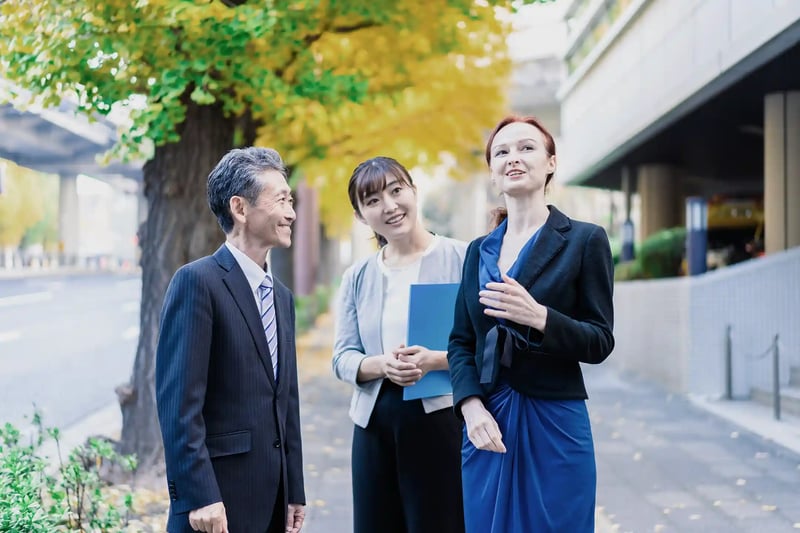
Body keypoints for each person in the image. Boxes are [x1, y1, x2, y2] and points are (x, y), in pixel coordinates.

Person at [447, 116, 615, 532]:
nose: (513, 158)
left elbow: (599, 340)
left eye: (526, 148)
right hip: (487, 422)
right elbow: (460, 342)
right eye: (501, 152)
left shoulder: (584, 240)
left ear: (551, 163)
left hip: (556, 418)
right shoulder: (476, 252)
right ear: (492, 173)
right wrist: (470, 408)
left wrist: (539, 317)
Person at [156, 147, 305, 533]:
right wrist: (198, 495)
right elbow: (179, 406)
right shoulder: (197, 282)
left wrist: (295, 490)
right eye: (281, 200)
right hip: (215, 501)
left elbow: (285, 401)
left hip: (272, 499)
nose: (291, 213)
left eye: (291, 201)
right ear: (240, 207)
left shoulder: (282, 297)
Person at [332, 156, 466, 533]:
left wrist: (436, 360)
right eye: (372, 201)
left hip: (441, 416)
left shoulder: (462, 258)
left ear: (413, 191)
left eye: (396, 191)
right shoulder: (358, 275)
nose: (389, 206)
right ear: (361, 216)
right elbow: (342, 357)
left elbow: (486, 344)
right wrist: (380, 365)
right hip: (374, 421)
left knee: (440, 523)